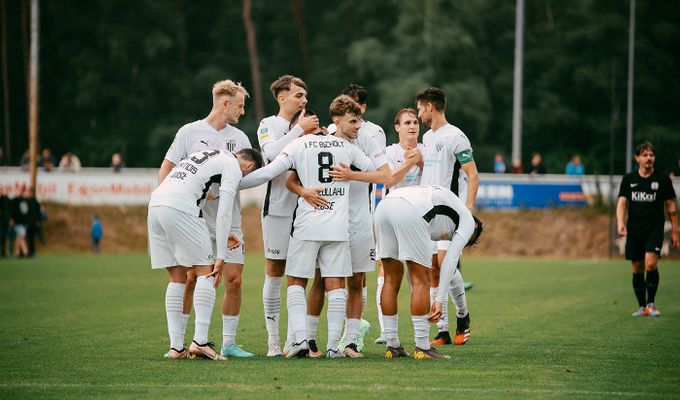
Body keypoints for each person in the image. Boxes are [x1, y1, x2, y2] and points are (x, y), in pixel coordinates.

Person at [240, 95, 388, 358]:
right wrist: (353, 175)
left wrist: (234, 183)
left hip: (307, 225)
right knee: (335, 284)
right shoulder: (348, 148)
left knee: (297, 280)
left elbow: (268, 173)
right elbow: (381, 175)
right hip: (338, 228)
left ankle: (299, 341)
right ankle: (333, 347)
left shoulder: (299, 144)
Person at [158, 79, 255, 358]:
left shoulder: (240, 139)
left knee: (233, 278)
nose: (242, 111)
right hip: (194, 217)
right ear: (225, 103)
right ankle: (183, 343)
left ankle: (228, 342)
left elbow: (242, 179)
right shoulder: (189, 132)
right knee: (191, 277)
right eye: (239, 105)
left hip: (228, 216)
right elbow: (167, 171)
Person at [148, 147, 262, 360]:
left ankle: (176, 348)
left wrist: (217, 235)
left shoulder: (210, 154)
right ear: (249, 166)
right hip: (180, 207)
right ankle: (200, 342)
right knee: (206, 273)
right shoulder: (233, 166)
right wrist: (221, 256)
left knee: (176, 278)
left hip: (156, 204)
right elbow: (224, 212)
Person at [375, 185, 483, 359]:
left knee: (390, 279)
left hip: (384, 205)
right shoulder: (469, 222)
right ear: (475, 226)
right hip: (410, 209)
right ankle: (422, 347)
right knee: (421, 280)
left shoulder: (446, 210)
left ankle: (392, 345)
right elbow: (450, 260)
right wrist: (439, 299)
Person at [256, 75, 318, 357]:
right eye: (298, 96)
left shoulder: (310, 125)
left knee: (301, 275)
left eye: (305, 96)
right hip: (279, 211)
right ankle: (272, 341)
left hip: (307, 211)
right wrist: (299, 131)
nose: (304, 100)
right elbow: (270, 154)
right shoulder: (269, 124)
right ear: (282, 98)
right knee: (275, 273)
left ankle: (297, 340)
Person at [416, 87, 479, 346]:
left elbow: (473, 175)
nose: (418, 114)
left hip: (450, 212)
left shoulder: (457, 136)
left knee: (444, 262)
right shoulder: (427, 138)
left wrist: (468, 212)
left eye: (419, 108)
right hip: (427, 211)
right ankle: (442, 329)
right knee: (433, 267)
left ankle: (463, 316)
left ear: (430, 106)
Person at [371, 108, 425, 344]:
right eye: (407, 123)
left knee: (421, 274)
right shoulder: (390, 152)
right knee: (387, 272)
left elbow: (435, 178)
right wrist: (409, 162)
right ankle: (387, 332)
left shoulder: (426, 150)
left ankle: (438, 327)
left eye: (415, 122)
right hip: (393, 214)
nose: (412, 126)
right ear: (397, 127)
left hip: (419, 217)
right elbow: (389, 179)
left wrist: (421, 162)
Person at [616, 141, 678, 317]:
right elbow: (621, 202)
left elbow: (671, 207)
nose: (648, 158)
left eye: (651, 155)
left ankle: (651, 304)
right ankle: (642, 307)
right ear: (637, 158)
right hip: (634, 230)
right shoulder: (629, 179)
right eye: (644, 155)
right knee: (637, 267)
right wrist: (620, 222)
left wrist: (674, 232)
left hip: (654, 229)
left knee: (650, 263)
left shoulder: (662, 180)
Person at [9, 188, 31, 258]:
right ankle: (25, 252)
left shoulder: (25, 200)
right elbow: (12, 211)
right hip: (17, 222)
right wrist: (12, 219)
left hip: (23, 222)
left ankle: (17, 252)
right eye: (19, 191)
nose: (20, 193)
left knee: (19, 237)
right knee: (21, 236)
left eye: (21, 191)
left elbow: (26, 211)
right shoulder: (14, 201)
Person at [0, 187, 10, 257]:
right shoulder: (1, 200)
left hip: (6, 221)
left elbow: (10, 211)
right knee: (1, 236)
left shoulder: (8, 200)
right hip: (1, 221)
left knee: (4, 237)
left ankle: (3, 252)